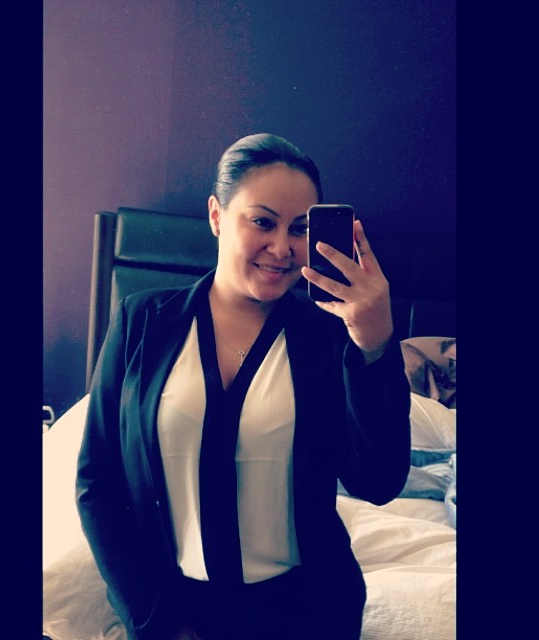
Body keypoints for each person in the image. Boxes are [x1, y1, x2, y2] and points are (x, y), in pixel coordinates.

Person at [76, 133, 411, 640]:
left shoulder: (329, 338)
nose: (282, 248)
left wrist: (376, 344)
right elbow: (98, 482)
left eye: (299, 228)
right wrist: (152, 618)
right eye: (262, 221)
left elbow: (378, 482)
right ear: (217, 216)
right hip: (173, 610)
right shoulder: (142, 322)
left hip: (307, 615)